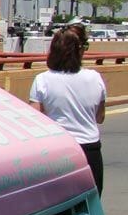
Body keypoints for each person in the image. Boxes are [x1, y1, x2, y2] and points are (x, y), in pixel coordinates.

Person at [30, 27, 108, 194]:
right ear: (79, 51)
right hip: (89, 149)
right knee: (91, 202)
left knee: (59, 208)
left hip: (58, 150)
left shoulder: (42, 80)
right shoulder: (95, 77)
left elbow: (34, 120)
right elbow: (100, 117)